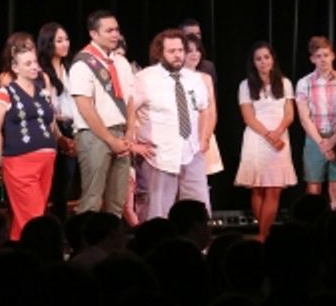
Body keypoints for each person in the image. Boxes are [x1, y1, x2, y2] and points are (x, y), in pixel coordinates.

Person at [132, 28, 212, 220]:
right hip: (159, 158)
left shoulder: (194, 79)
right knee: (158, 215)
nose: (178, 55)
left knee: (198, 211)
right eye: (172, 51)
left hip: (191, 154)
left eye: (180, 50)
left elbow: (204, 109)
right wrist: (133, 144)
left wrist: (203, 139)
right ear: (160, 53)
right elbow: (125, 112)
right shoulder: (145, 79)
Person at [69, 11, 134, 216]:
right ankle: (84, 245)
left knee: (117, 201)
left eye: (117, 30)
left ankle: (112, 243)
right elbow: (85, 107)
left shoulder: (121, 62)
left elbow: (130, 99)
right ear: (94, 34)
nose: (115, 34)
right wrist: (110, 139)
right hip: (93, 135)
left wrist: (130, 133)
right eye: (109, 30)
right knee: (92, 199)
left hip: (121, 133)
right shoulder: (82, 63)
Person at [0, 43, 58, 239]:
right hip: (20, 161)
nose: (34, 66)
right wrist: (0, 158)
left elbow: (51, 123)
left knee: (28, 216)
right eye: (27, 63)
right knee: (33, 215)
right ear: (15, 68)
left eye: (35, 61)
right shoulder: (6, 93)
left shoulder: (43, 92)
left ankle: (18, 252)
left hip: (47, 160)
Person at [236, 41, 297, 239]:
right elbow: (248, 117)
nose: (263, 62)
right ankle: (263, 235)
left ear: (272, 59)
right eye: (258, 59)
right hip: (257, 139)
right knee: (259, 188)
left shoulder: (285, 82)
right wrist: (269, 136)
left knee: (274, 189)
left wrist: (277, 132)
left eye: (266, 57)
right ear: (253, 62)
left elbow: (289, 114)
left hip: (280, 138)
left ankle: (263, 236)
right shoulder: (246, 85)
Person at [296, 37, 336, 210]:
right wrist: (322, 144)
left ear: (333, 55)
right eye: (318, 56)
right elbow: (304, 118)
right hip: (315, 138)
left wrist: (333, 141)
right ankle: (313, 227)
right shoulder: (304, 83)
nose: (323, 59)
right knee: (313, 187)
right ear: (312, 59)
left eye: (326, 55)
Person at [37, 22, 79, 220]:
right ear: (48, 43)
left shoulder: (69, 67)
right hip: (54, 126)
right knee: (50, 184)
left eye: (66, 39)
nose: (65, 44)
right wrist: (59, 134)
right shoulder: (42, 72)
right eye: (59, 40)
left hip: (73, 126)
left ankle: (61, 229)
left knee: (66, 185)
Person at [184, 33, 223, 180]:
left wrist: (206, 138)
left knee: (202, 182)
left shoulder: (205, 78)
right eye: (189, 50)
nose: (195, 54)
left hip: (203, 135)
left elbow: (211, 110)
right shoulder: (174, 78)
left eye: (197, 50)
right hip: (184, 136)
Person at [179, 19, 218, 85]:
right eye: (191, 35)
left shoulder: (208, 67)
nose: (195, 38)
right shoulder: (173, 66)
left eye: (198, 34)